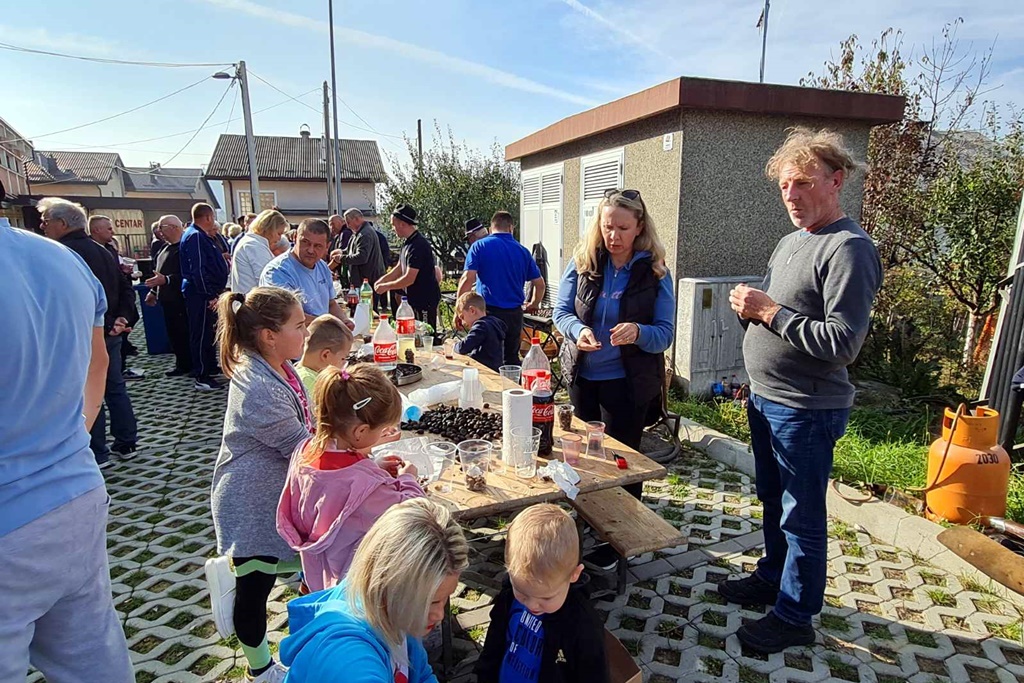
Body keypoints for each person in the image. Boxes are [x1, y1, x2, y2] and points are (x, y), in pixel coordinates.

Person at [720, 128, 883, 654]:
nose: (791, 195)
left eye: (804, 183)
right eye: (785, 185)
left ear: (836, 181)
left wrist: (769, 311)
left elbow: (842, 343)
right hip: (767, 398)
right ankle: (773, 577)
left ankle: (795, 616)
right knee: (774, 500)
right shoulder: (792, 240)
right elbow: (779, 316)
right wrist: (750, 312)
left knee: (802, 515)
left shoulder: (850, 249)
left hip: (807, 409)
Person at [0, 218, 134, 682]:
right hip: (75, 492)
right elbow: (97, 363)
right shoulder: (62, 259)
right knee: (94, 657)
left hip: (14, 513)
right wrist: (69, 440)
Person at [205, 286, 312, 683]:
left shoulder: (277, 366)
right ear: (269, 335)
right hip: (250, 504)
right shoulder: (259, 387)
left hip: (273, 493)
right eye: (298, 326)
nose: (305, 332)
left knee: (290, 567)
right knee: (254, 591)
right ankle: (260, 669)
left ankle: (306, 639)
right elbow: (302, 446)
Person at [279, 498, 469, 682]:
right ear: (389, 582)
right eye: (430, 602)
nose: (439, 615)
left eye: (445, 599)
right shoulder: (351, 663)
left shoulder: (386, 607)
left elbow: (421, 674)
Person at [277, 364, 424, 592]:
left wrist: (372, 467)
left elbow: (334, 483)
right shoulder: (367, 488)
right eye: (382, 431)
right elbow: (411, 514)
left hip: (318, 572)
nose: (383, 435)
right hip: (355, 584)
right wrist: (408, 480)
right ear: (360, 432)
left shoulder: (304, 452)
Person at [553, 189, 675, 457]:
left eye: (623, 228)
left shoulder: (656, 272)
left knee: (622, 460)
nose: (613, 236)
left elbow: (665, 334)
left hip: (627, 384)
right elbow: (560, 312)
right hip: (581, 379)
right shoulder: (583, 261)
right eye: (607, 227)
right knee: (582, 457)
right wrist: (578, 330)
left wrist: (638, 332)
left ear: (639, 228)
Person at [41, 199, 138, 467]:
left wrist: (115, 320)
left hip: (83, 333)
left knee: (86, 390)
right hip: (110, 330)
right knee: (114, 386)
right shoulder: (102, 251)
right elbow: (124, 288)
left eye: (46, 221)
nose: (42, 226)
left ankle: (97, 451)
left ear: (62, 223)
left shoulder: (60, 254)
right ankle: (126, 441)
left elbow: (72, 298)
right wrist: (122, 318)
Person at [475, 504, 609, 683]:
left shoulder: (582, 624)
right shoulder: (508, 597)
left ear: (574, 575)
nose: (531, 605)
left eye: (546, 597)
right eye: (522, 592)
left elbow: (594, 676)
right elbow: (494, 643)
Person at [458, 211, 545, 366]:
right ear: (511, 228)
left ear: (491, 228)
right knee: (511, 360)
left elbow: (467, 279)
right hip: (514, 314)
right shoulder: (523, 251)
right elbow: (540, 284)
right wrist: (534, 303)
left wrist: (459, 309)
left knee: (487, 359)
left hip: (489, 314)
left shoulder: (479, 246)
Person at [260, 218, 351, 326]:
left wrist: (344, 321)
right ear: (295, 238)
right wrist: (330, 325)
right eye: (305, 242)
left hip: (320, 332)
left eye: (318, 246)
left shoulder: (322, 266)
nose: (310, 250)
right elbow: (287, 316)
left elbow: (330, 304)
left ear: (327, 246)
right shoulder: (277, 271)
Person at [180, 202, 229, 391]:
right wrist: (209, 295)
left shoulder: (199, 235)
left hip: (204, 293)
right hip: (199, 295)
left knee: (208, 332)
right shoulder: (196, 237)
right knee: (200, 333)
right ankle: (202, 375)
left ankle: (209, 366)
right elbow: (198, 269)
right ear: (208, 217)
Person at [375, 204, 441, 332]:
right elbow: (399, 268)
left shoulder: (418, 245)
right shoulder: (407, 243)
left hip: (424, 299)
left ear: (402, 224)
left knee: (425, 333)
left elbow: (409, 278)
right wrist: (382, 280)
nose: (392, 229)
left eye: (393, 225)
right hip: (413, 298)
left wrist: (387, 286)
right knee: (413, 333)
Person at [144, 215, 192, 377]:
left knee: (184, 332)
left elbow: (187, 274)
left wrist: (167, 280)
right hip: (167, 300)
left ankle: (190, 364)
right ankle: (181, 363)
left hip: (181, 299)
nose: (159, 232)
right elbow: (160, 272)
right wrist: (153, 291)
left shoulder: (185, 248)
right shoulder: (164, 248)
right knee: (174, 333)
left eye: (162, 228)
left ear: (174, 227)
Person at [295, 314, 354, 398]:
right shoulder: (309, 381)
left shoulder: (302, 372)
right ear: (326, 355)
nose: (344, 363)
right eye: (343, 358)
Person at [232, 210, 289, 295]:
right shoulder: (254, 245)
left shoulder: (251, 242)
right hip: (252, 299)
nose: (279, 239)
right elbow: (269, 279)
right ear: (269, 229)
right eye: (279, 234)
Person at [336, 208, 386, 299]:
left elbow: (362, 257)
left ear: (357, 219)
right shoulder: (357, 233)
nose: (347, 226)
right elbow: (351, 250)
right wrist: (341, 252)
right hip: (362, 281)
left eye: (348, 222)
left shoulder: (365, 234)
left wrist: (342, 258)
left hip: (367, 282)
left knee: (367, 306)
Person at [454, 291, 506, 372]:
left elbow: (463, 348)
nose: (463, 322)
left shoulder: (480, 326)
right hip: (495, 367)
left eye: (462, 317)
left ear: (472, 310)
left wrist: (454, 346)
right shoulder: (494, 322)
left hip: (483, 369)